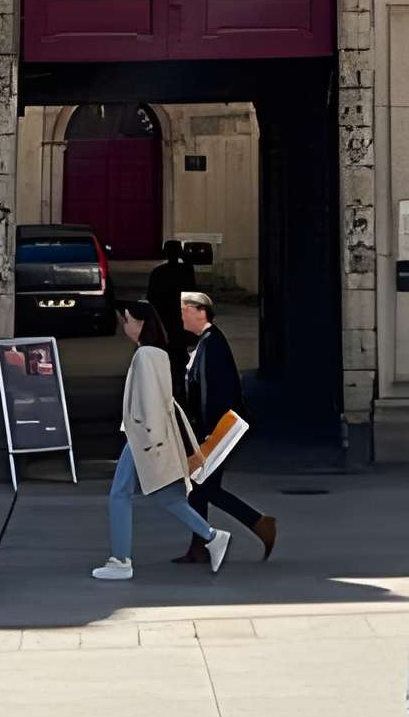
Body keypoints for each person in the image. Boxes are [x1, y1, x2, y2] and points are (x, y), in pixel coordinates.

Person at [92, 301, 229, 582]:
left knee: (120, 494)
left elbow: (150, 403)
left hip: (144, 437)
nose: (124, 327)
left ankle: (120, 560)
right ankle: (212, 536)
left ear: (136, 321)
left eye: (125, 321)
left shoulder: (145, 355)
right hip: (150, 436)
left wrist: (150, 443)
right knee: (167, 496)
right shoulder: (157, 353)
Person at [175, 290, 277, 563]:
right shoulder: (204, 342)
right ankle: (199, 546)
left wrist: (207, 431)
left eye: (184, 310)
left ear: (200, 312)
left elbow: (212, 392)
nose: (180, 316)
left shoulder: (212, 343)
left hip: (217, 429)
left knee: (204, 488)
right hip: (211, 428)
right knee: (199, 487)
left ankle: (259, 523)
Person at [144, 240, 200, 371]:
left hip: (166, 319)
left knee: (169, 354)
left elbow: (151, 297)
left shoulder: (159, 272)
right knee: (180, 353)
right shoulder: (185, 271)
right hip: (179, 319)